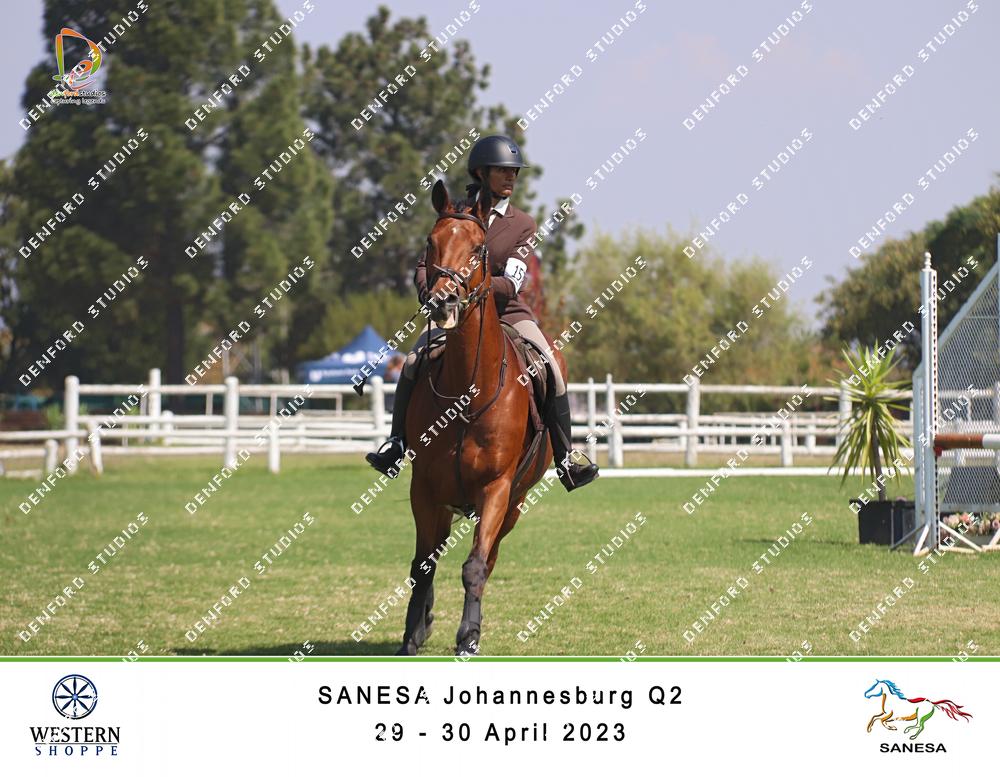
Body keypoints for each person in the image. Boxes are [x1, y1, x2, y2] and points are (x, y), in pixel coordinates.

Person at [366, 134, 598, 492]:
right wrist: (430, 293)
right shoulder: (454, 216)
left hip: (508, 313)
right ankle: (396, 444)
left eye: (514, 172)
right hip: (454, 312)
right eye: (503, 170)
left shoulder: (522, 224)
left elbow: (514, 280)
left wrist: (473, 287)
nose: (511, 178)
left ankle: (566, 459)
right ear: (481, 172)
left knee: (551, 365)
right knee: (413, 361)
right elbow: (424, 265)